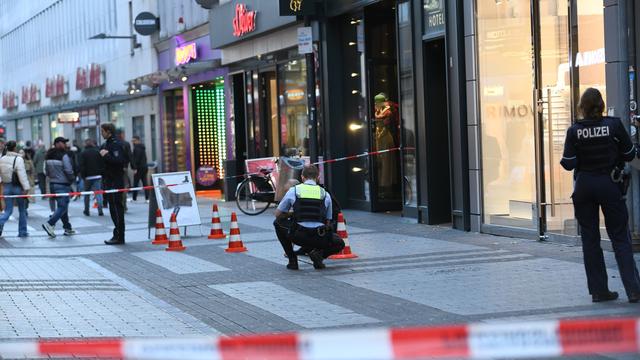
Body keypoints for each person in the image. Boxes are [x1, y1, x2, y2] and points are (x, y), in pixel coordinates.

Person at [560, 88, 640, 303]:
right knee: (620, 237)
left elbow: (568, 163)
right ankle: (633, 290)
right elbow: (629, 153)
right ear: (601, 105)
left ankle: (599, 291)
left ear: (582, 108)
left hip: (585, 186)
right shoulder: (613, 125)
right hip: (609, 184)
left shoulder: (574, 130)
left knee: (590, 238)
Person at [273, 164, 344, 270]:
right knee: (340, 243)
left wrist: (292, 213)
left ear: (302, 177)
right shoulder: (325, 194)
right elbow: (328, 221)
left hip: (298, 236)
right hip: (319, 238)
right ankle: (319, 255)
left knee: (277, 223)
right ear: (318, 177)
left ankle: (292, 261)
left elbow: (277, 214)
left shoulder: (294, 191)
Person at [41, 137, 76, 238]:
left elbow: (46, 172)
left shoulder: (48, 156)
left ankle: (67, 228)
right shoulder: (64, 156)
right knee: (63, 206)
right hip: (63, 184)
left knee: (62, 206)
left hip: (53, 184)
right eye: (63, 143)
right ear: (56, 143)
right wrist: (72, 179)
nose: (64, 145)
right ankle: (50, 223)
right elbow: (68, 170)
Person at [100, 123, 127, 245]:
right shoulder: (107, 144)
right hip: (109, 180)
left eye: (103, 131)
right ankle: (117, 234)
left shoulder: (116, 144)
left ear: (108, 131)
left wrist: (106, 155)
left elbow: (119, 161)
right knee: (112, 208)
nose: (101, 133)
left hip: (116, 180)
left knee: (116, 208)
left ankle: (119, 236)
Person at [0, 141, 31, 237]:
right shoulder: (18, 159)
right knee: (22, 210)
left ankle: (1, 221)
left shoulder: (2, 159)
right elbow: (22, 174)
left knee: (8, 210)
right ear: (15, 148)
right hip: (18, 187)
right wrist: (26, 188)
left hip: (6, 186)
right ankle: (22, 232)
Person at [79, 138, 105, 216]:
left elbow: (82, 166)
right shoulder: (97, 152)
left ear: (85, 144)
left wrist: (83, 176)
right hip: (97, 176)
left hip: (87, 177)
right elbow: (102, 163)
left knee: (87, 194)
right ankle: (100, 209)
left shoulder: (83, 153)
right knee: (98, 193)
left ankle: (86, 210)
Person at [130, 135, 149, 202]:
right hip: (144, 167)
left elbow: (136, 159)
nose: (133, 142)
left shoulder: (137, 148)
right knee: (145, 183)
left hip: (139, 168)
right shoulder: (142, 147)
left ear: (138, 140)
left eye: (134, 141)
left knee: (136, 183)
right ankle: (147, 198)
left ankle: (134, 198)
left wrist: (135, 168)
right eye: (132, 141)